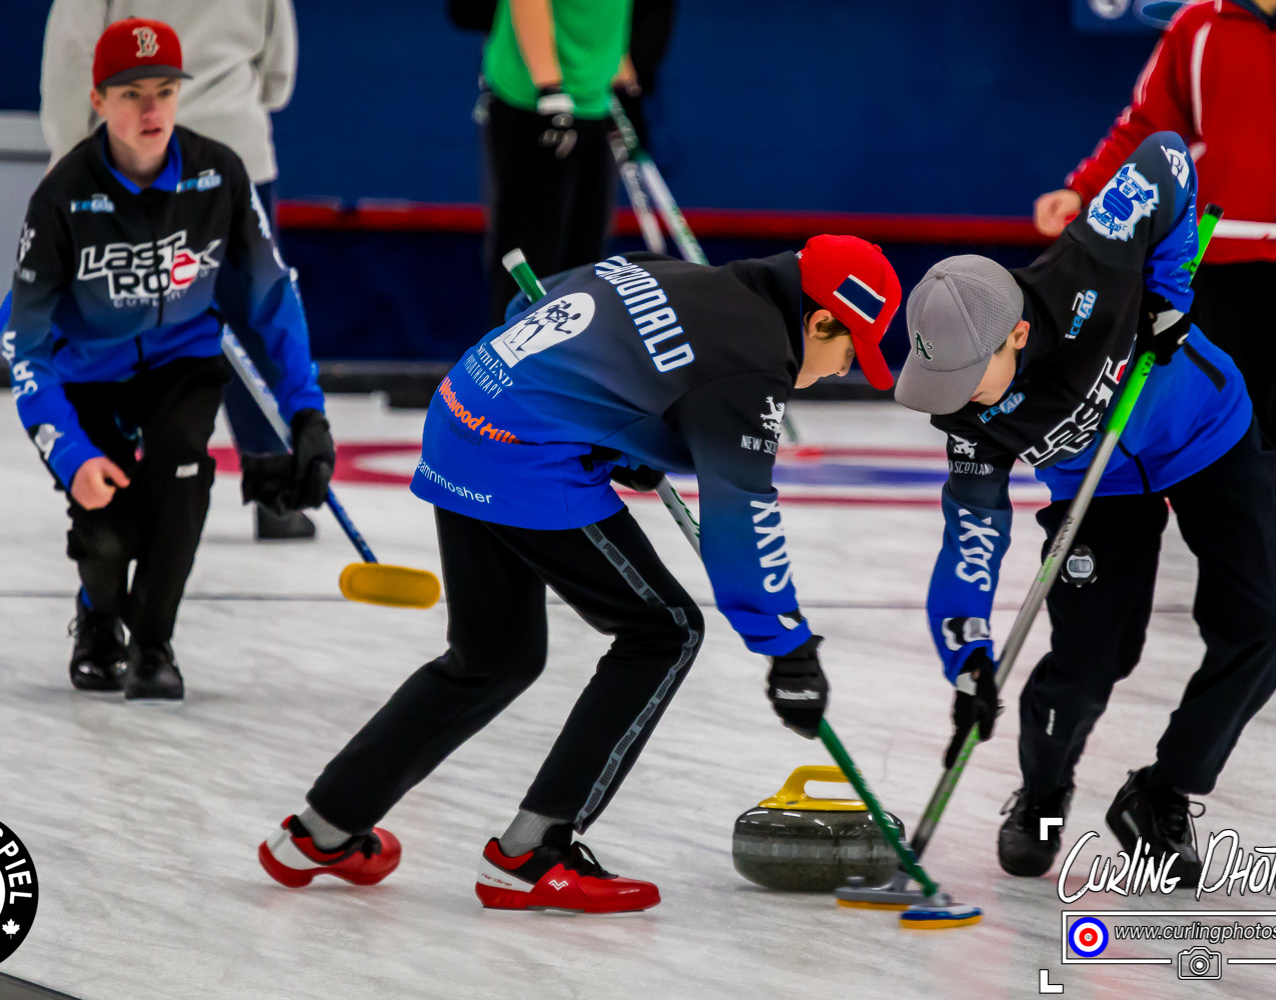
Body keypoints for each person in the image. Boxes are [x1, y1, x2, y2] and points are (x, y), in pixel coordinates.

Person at [258, 236, 903, 912]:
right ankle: (532, 853)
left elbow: (538, 306)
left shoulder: (678, 274)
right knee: (665, 632)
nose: (842, 369)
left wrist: (622, 431)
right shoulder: (753, 363)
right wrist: (789, 648)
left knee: (493, 657)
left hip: (461, 417)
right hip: (522, 456)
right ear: (820, 321)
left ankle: (321, 831)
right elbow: (741, 517)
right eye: (849, 351)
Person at [898, 133, 1276, 887]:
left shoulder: (1089, 264)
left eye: (966, 377)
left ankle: (1162, 792)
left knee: (1263, 633)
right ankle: (1042, 798)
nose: (955, 400)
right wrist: (968, 657)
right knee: (1090, 661)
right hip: (1099, 490)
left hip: (1209, 432)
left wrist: (1170, 295)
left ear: (1017, 335)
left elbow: (1166, 158)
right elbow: (972, 538)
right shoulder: (967, 417)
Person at [8, 18, 332, 700]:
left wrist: (307, 413)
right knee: (108, 536)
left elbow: (274, 297)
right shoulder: (61, 197)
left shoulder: (220, 174)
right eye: (131, 94)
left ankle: (153, 644)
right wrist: (70, 455)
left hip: (181, 360)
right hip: (88, 375)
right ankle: (98, 618)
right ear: (97, 100)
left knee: (182, 480)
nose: (151, 109)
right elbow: (28, 353)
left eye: (164, 90)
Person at [1032, 0, 1276, 615]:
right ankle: (1253, 569)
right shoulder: (1196, 27)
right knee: (1237, 424)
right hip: (1225, 251)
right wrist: (1084, 187)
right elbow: (1149, 126)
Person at [39, 0, 316, 541]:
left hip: (133, 154)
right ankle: (276, 488)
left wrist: (68, 150)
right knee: (254, 317)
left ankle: (123, 479)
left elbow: (73, 53)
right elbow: (278, 68)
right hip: (235, 147)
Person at [479, 0, 632, 327]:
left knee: (584, 261)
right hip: (534, 100)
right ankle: (515, 355)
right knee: (532, 257)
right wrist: (549, 87)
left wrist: (619, 72)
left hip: (595, 100)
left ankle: (569, 355)